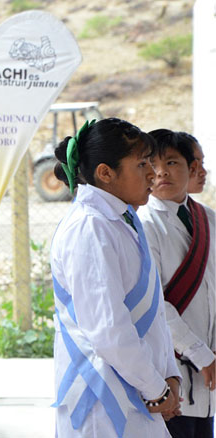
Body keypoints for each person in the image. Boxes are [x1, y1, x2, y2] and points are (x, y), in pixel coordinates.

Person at [50, 117, 181, 437]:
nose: (153, 172)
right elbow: (108, 329)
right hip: (104, 401)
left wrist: (169, 376)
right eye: (141, 164)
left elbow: (151, 310)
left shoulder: (121, 219)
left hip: (136, 393)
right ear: (105, 173)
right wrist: (157, 389)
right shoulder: (89, 227)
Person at [138, 129, 215, 438]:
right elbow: (154, 303)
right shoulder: (144, 224)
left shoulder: (209, 219)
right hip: (172, 369)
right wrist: (200, 353)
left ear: (191, 167)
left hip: (209, 367)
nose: (161, 172)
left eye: (171, 162)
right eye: (151, 164)